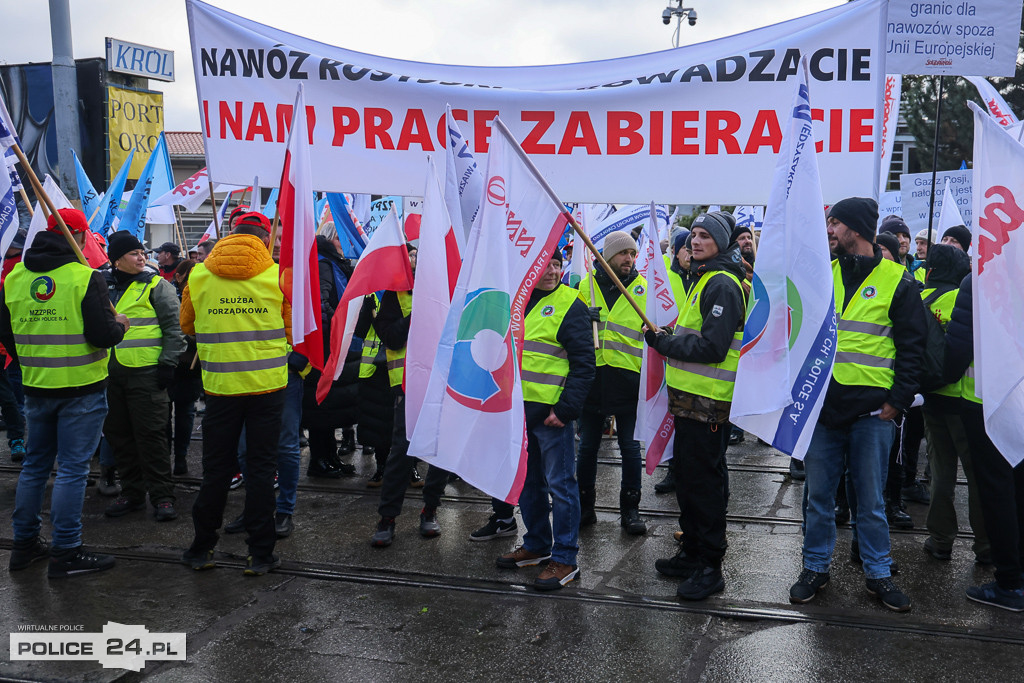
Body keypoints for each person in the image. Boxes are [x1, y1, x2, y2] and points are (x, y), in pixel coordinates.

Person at [789, 197, 925, 612]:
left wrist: (896, 404)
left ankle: (878, 573)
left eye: (835, 224)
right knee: (818, 499)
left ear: (857, 230)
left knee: (871, 502)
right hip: (824, 413)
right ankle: (815, 568)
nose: (829, 230)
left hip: (873, 415)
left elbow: (913, 350)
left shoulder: (898, 282)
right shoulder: (822, 277)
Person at [3, 208, 128, 578]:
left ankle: (23, 545)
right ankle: (66, 551)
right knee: (73, 470)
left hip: (36, 385)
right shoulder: (84, 277)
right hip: (82, 389)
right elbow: (103, 335)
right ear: (75, 235)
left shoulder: (15, 278)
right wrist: (120, 325)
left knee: (35, 467)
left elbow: (6, 334)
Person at [179, 213, 291, 576]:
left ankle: (201, 549)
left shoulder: (198, 275)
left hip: (220, 388)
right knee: (260, 471)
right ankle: (259, 555)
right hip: (268, 388)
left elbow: (187, 325)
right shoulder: (279, 275)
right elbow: (292, 328)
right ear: (264, 237)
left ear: (231, 234)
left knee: (216, 470)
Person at [646, 210, 746, 601]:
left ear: (721, 243)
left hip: (708, 406)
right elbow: (695, 332)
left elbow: (712, 346)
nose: (696, 242)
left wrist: (665, 344)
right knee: (688, 483)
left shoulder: (721, 283)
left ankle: (710, 565)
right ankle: (691, 552)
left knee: (704, 486)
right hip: (689, 404)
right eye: (694, 236)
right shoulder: (704, 278)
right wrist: (668, 334)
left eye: (705, 236)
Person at [497, 252, 595, 590]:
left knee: (561, 486)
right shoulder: (515, 301)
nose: (552, 271)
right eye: (545, 265)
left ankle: (565, 558)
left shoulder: (571, 304)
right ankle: (537, 544)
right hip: (518, 414)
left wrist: (565, 410)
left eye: (557, 264)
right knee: (528, 483)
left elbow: (585, 365)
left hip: (552, 417)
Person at [944, 272, 1024, 611]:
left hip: (985, 404)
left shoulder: (981, 278)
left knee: (996, 492)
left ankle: (1010, 583)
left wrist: (939, 378)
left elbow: (958, 348)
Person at [101, 232, 186, 522]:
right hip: (110, 376)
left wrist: (168, 364)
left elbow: (175, 329)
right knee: (119, 437)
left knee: (152, 437)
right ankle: (132, 493)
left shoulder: (155, 285)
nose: (142, 257)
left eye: (142, 252)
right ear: (117, 259)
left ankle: (162, 497)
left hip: (147, 375)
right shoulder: (102, 285)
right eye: (134, 253)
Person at [370, 245, 450, 547]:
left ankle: (429, 511)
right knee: (401, 453)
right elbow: (389, 336)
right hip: (407, 388)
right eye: (413, 257)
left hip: (442, 384)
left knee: (439, 454)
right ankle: (387, 518)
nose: (417, 262)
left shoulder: (449, 289)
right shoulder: (395, 294)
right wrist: (421, 314)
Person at [920, 244, 989, 563]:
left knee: (940, 472)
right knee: (977, 476)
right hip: (963, 400)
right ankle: (986, 545)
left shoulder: (919, 298)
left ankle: (940, 539)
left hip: (930, 399)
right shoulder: (963, 298)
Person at [576, 231, 648, 535]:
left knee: (630, 450)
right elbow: (568, 328)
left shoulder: (645, 289)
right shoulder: (584, 287)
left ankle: (630, 509)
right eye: (623, 254)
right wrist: (581, 318)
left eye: (632, 254)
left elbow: (666, 326)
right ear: (607, 255)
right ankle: (585, 508)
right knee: (588, 448)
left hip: (629, 382)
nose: (629, 260)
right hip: (592, 380)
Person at [303, 224, 359, 479]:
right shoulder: (324, 263)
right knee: (320, 407)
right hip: (325, 346)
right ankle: (319, 460)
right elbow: (321, 304)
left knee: (327, 407)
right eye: (341, 240)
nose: (345, 245)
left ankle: (330, 456)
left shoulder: (331, 261)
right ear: (332, 239)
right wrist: (336, 329)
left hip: (331, 344)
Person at [654, 228, 693, 495]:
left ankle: (687, 470)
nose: (691, 253)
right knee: (671, 417)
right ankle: (673, 470)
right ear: (676, 253)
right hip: (670, 358)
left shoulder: (704, 278)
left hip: (697, 361)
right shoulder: (665, 280)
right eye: (686, 248)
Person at [169, 259, 201, 475]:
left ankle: (181, 457)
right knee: (163, 414)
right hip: (170, 363)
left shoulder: (200, 295)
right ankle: (164, 456)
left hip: (190, 365)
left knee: (185, 412)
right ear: (179, 277)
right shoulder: (167, 295)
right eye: (190, 278)